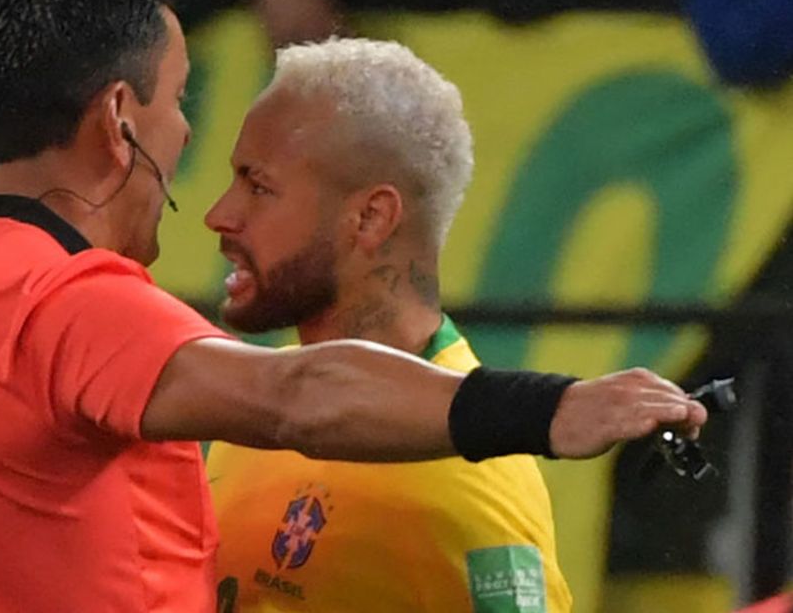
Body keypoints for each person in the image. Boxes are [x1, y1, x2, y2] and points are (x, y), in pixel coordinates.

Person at [0, 0, 706, 613]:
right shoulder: (70, 306)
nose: (188, 143)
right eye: (181, 101)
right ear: (119, 121)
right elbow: (299, 395)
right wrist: (549, 406)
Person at [204, 38, 573, 612]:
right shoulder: (249, 408)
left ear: (371, 217)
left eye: (259, 187)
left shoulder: (475, 485)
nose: (219, 215)